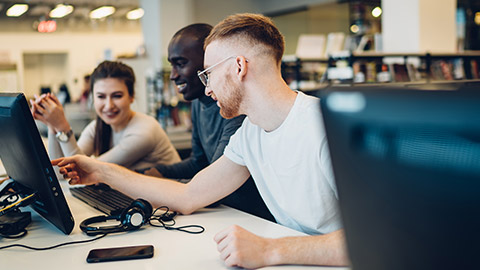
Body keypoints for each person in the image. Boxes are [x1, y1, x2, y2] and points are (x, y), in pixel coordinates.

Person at [54, 13, 348, 268]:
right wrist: (100, 170)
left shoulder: (325, 127)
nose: (206, 89)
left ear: (239, 67)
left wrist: (270, 249)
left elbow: (383, 235)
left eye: (208, 74)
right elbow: (189, 196)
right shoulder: (250, 133)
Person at [139, 23, 274, 221]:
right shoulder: (198, 104)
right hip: (225, 215)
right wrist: (157, 172)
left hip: (248, 218)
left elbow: (208, 188)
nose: (174, 75)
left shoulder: (238, 112)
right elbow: (200, 163)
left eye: (181, 63)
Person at [31, 61, 181, 171]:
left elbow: (83, 170)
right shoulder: (98, 127)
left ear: (131, 96)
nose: (109, 105)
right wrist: (52, 125)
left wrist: (62, 127)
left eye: (117, 96)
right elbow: (58, 172)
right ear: (93, 98)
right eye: (101, 97)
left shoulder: (144, 131)